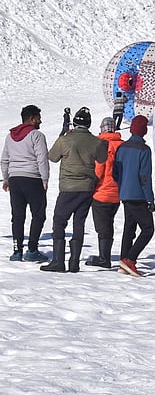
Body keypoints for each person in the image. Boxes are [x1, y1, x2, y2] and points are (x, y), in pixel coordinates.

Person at [43, 107, 107, 273]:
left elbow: (52, 157)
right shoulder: (96, 141)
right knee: (79, 223)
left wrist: (62, 135)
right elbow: (103, 158)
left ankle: (58, 261)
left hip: (68, 187)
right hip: (87, 188)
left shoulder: (66, 140)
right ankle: (74, 263)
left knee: (59, 221)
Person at [2, 105, 50, 262]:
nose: (40, 120)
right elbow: (42, 158)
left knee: (17, 216)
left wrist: (7, 178)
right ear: (32, 119)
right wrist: (44, 179)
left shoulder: (10, 136)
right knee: (38, 214)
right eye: (38, 117)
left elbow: (4, 159)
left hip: (15, 179)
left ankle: (17, 251)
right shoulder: (36, 135)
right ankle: (32, 249)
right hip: (32, 178)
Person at [114, 115, 155, 277]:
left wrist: (123, 187)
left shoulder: (121, 148)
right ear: (144, 130)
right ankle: (130, 260)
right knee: (148, 229)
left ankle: (124, 260)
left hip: (125, 194)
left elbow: (115, 172)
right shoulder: (144, 150)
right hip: (138, 195)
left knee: (129, 228)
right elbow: (144, 177)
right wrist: (150, 199)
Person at [86, 117, 123, 268]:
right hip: (117, 193)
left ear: (102, 128)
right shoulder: (122, 146)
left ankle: (104, 258)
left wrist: (90, 186)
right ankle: (104, 255)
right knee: (109, 224)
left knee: (102, 227)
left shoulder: (100, 145)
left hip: (101, 192)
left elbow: (98, 169)